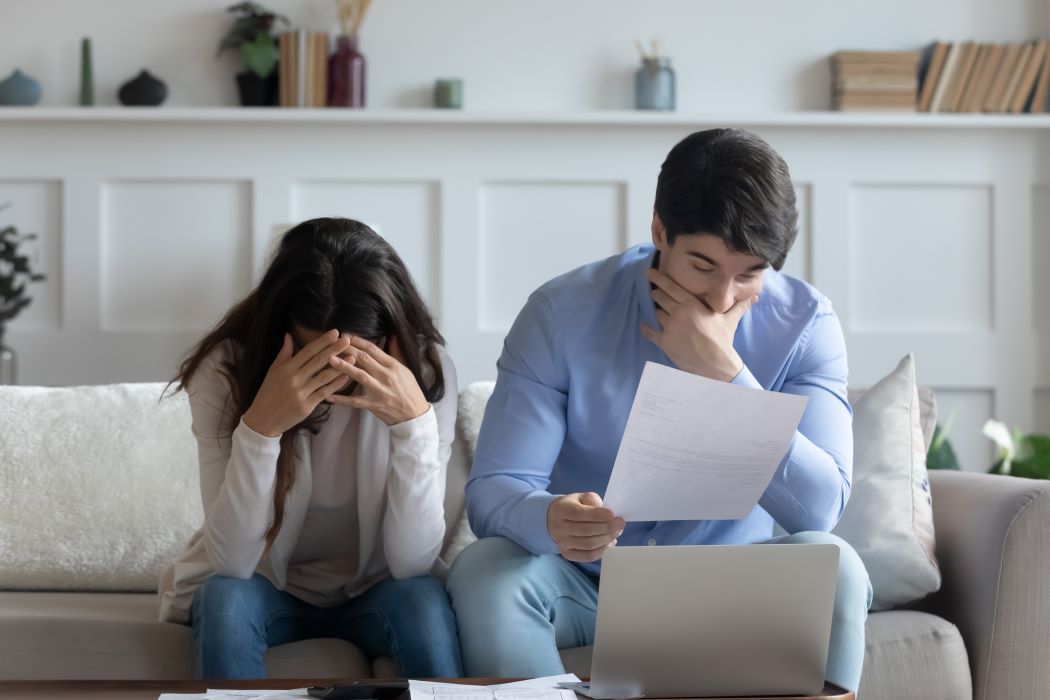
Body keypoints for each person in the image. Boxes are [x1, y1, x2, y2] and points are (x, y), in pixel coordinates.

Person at [447, 129, 873, 693]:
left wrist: (727, 377)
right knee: (484, 572)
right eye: (702, 265)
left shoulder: (806, 325)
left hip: (733, 582)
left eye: (749, 273)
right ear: (658, 231)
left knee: (838, 567)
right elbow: (495, 490)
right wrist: (550, 518)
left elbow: (819, 511)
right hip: (585, 582)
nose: (722, 298)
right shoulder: (561, 313)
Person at [158, 217, 463, 680]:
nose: (336, 371)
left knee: (423, 600)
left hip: (378, 590)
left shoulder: (426, 370)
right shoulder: (226, 370)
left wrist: (413, 426)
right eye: (314, 354)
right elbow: (233, 562)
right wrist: (260, 430)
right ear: (278, 330)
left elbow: (411, 563)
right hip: (265, 587)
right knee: (224, 600)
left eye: (357, 355)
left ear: (388, 336)